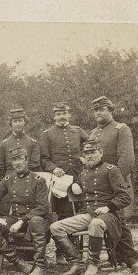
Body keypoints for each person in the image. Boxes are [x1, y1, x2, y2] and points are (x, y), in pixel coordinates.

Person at [49, 141, 132, 275]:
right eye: (86, 153)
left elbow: (124, 197)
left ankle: (93, 262)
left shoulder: (111, 170)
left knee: (96, 224)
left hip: (108, 215)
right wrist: (74, 184)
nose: (89, 156)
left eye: (93, 152)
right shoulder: (83, 173)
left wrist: (107, 207)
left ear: (101, 153)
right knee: (55, 227)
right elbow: (72, 188)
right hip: (88, 213)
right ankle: (78, 262)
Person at [87, 95, 138, 274]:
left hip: (117, 183)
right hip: (102, 186)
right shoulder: (93, 133)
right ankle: (116, 259)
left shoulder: (121, 129)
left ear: (111, 110)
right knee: (109, 222)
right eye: (96, 110)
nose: (98, 113)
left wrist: (115, 183)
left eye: (102, 109)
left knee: (119, 221)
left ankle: (132, 259)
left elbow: (127, 159)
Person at [0, 146, 52, 275]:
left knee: (36, 221)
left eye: (20, 159)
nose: (17, 163)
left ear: (27, 160)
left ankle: (40, 266)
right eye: (14, 160)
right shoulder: (8, 180)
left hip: (35, 219)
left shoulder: (38, 180)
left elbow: (43, 207)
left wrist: (22, 220)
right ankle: (18, 262)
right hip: (15, 218)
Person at [39, 102, 89, 266]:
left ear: (69, 114)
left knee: (77, 215)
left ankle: (77, 253)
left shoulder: (77, 131)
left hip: (77, 179)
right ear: (54, 117)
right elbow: (44, 160)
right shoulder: (47, 134)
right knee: (62, 216)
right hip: (59, 182)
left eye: (64, 113)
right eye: (58, 114)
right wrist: (54, 168)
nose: (61, 117)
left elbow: (91, 145)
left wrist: (84, 157)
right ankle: (61, 253)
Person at [0, 107, 40, 177]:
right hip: (10, 179)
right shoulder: (4, 144)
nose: (17, 124)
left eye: (20, 121)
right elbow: (0, 167)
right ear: (11, 123)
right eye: (15, 121)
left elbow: (35, 164)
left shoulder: (33, 143)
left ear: (24, 122)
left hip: (28, 178)